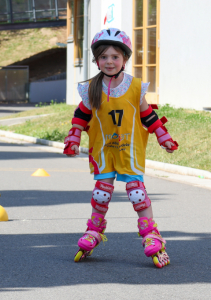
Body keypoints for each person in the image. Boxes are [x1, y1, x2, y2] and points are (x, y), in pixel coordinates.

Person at [63, 28, 178, 268]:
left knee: (136, 191)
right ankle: (93, 231)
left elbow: (148, 116)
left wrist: (162, 135)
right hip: (104, 150)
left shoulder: (135, 87)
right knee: (101, 193)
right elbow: (80, 118)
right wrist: (73, 138)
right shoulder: (91, 88)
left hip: (129, 149)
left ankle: (151, 235)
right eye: (103, 57)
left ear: (124, 59)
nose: (109, 61)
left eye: (115, 56)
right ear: (96, 60)